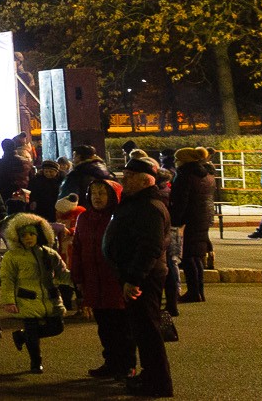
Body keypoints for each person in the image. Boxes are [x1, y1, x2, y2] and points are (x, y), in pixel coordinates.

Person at [102, 155, 172, 398]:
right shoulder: (138, 202)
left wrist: (133, 279)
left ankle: (158, 382)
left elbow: (150, 246)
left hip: (143, 277)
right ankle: (150, 374)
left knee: (148, 331)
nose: (125, 180)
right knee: (142, 330)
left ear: (145, 180)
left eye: (130, 176)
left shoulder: (149, 207)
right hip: (136, 273)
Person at [69, 178, 133, 381]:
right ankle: (110, 363)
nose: (97, 197)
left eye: (102, 193)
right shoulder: (84, 218)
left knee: (122, 326)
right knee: (104, 326)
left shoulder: (121, 217)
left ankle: (127, 365)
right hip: (93, 280)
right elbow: (77, 248)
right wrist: (78, 277)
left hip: (115, 280)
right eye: (94, 193)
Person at [0, 213, 69, 375]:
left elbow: (62, 273)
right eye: (24, 235)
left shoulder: (49, 253)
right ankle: (36, 363)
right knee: (32, 332)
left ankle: (22, 336)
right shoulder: (12, 257)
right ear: (17, 237)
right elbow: (7, 279)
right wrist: (9, 300)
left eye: (31, 234)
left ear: (39, 235)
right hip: (26, 299)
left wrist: (78, 281)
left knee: (57, 327)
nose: (28, 238)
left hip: (49, 298)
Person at [166, 150, 214, 298]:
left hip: (188, 220)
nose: (175, 162)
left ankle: (193, 292)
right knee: (196, 255)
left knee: (188, 256)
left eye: (177, 159)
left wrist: (175, 221)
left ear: (184, 160)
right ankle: (199, 291)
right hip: (202, 217)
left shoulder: (185, 175)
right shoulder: (207, 174)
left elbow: (181, 200)